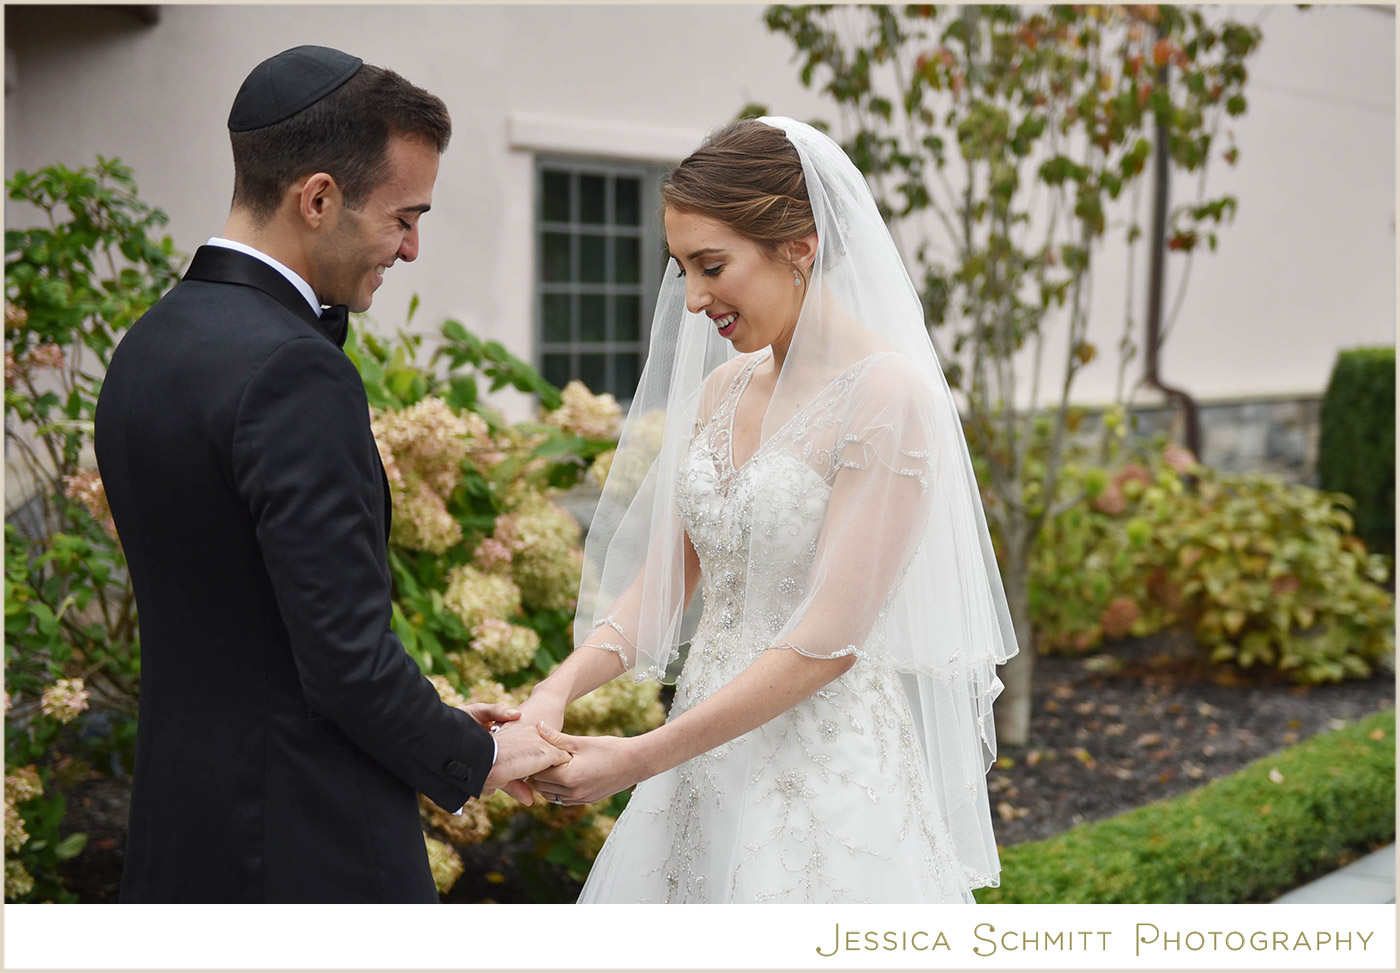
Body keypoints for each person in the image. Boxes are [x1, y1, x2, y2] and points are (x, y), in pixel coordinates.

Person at [94, 45, 566, 903]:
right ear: (317, 198)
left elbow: (252, 627)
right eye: (403, 217)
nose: (414, 248)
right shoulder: (291, 370)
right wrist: (480, 756)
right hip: (304, 851)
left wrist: (446, 720)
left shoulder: (149, 344)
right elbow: (342, 662)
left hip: (181, 835)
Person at [520, 117, 1019, 903]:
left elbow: (828, 642)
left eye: (711, 265)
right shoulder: (722, 391)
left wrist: (638, 755)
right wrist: (551, 693)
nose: (693, 300)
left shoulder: (888, 398)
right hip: (696, 764)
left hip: (823, 782)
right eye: (682, 269)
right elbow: (658, 594)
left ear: (799, 244)